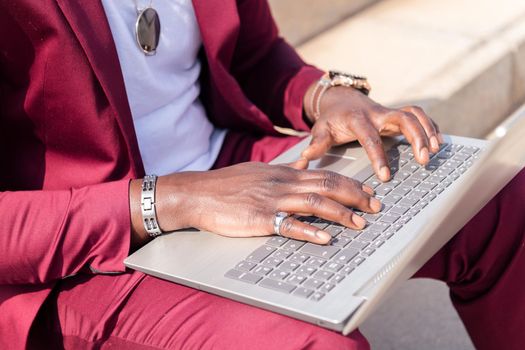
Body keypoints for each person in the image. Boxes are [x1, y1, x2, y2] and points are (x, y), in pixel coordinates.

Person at [0, 0, 523, 349]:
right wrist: (175, 200)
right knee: (309, 342)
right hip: (81, 253)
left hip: (237, 164)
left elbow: (253, 55)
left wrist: (327, 95)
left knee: (498, 202)